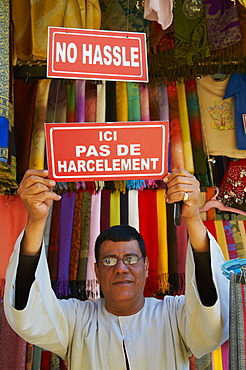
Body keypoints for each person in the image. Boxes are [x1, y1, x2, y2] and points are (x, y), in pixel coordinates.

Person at [4, 169, 229, 370]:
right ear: (96, 272)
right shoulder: (75, 320)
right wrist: (36, 220)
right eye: (110, 261)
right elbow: (30, 316)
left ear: (146, 266)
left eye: (131, 259)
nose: (121, 269)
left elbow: (212, 322)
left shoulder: (174, 316)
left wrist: (192, 218)